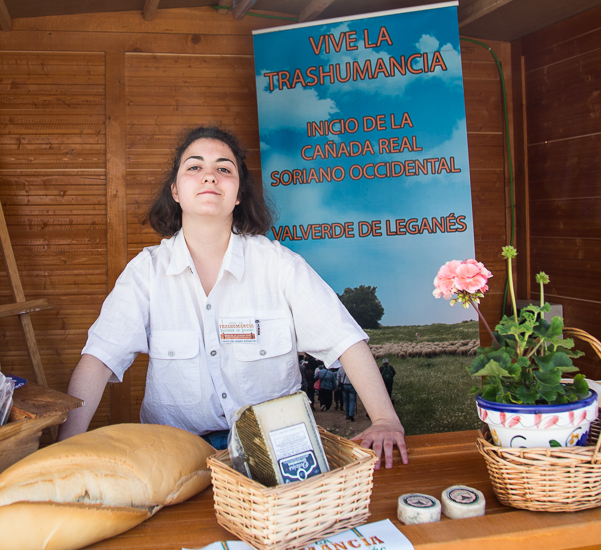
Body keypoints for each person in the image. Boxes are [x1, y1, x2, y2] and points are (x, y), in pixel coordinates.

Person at [56, 126, 408, 468]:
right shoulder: (145, 271)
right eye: (194, 167)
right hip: (175, 454)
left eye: (224, 169)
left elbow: (346, 341)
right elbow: (98, 359)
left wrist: (384, 418)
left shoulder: (280, 265)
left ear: (239, 194)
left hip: (275, 449)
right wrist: (63, 450)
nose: (209, 176)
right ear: (176, 190)